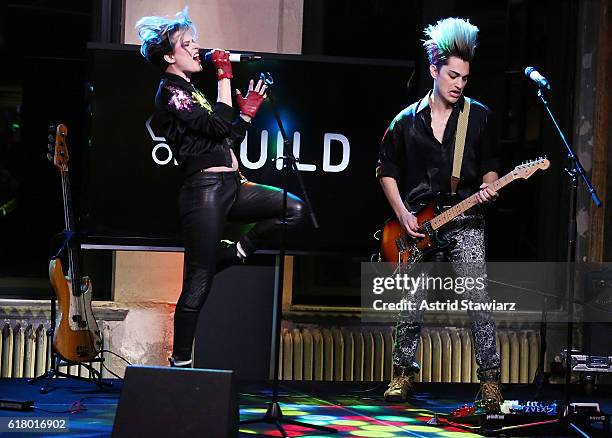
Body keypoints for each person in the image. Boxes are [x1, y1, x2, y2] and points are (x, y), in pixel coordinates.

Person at [136, 9, 304, 368]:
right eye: (187, 44)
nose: (197, 48)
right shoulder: (170, 91)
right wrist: (224, 75)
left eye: (194, 41)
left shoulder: (192, 90)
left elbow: (226, 135)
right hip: (204, 191)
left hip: (232, 183)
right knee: (199, 281)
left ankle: (236, 252)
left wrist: (245, 116)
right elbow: (216, 124)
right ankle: (180, 363)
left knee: (294, 210)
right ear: (169, 56)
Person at [377, 17, 503, 404]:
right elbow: (386, 170)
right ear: (434, 70)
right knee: (411, 302)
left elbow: (491, 163)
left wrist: (492, 184)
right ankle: (402, 376)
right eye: (452, 75)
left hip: (465, 219)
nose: (459, 84)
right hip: (419, 222)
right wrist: (403, 215)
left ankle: (490, 381)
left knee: (477, 299)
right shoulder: (405, 121)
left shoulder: (478, 116)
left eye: (464, 78)